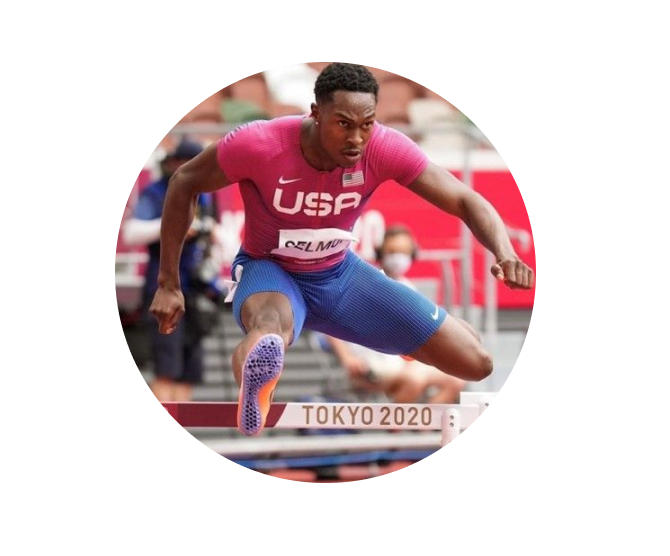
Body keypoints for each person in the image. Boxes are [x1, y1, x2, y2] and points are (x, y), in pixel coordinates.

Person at [150, 63, 534, 436]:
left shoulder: (382, 147)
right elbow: (185, 181)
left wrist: (505, 253)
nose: (356, 139)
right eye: (343, 124)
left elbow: (465, 200)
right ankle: (257, 385)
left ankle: (409, 335)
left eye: (366, 124)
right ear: (316, 113)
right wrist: (169, 282)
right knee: (269, 333)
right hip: (270, 271)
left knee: (476, 363)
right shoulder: (260, 143)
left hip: (339, 275)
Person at [124, 139, 218, 402]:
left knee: (189, 372)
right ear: (174, 164)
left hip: (197, 295)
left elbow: (220, 234)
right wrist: (175, 226)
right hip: (164, 290)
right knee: (166, 368)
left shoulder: (208, 195)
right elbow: (131, 233)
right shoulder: (156, 192)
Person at [326, 225, 465, 404]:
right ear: (381, 252)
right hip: (370, 364)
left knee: (456, 380)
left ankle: (424, 429)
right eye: (392, 251)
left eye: (404, 251)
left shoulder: (409, 288)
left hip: (404, 363)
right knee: (414, 380)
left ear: (412, 254)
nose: (398, 257)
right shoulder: (364, 283)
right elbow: (329, 322)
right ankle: (395, 430)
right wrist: (347, 358)